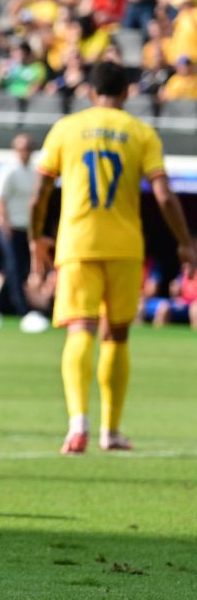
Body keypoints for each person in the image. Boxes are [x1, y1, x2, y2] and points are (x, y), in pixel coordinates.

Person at [30, 62, 194, 455]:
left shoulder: (66, 129)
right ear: (126, 93)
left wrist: (36, 238)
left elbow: (39, 194)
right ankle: (111, 430)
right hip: (124, 245)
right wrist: (185, 242)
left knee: (79, 329)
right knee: (116, 335)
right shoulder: (141, 132)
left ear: (90, 91)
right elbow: (164, 195)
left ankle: (77, 425)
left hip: (77, 243)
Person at [0, 134, 36, 317]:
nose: (25, 152)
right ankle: (22, 310)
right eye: (21, 148)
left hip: (25, 228)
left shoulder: (34, 171)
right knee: (13, 264)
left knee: (16, 267)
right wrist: (4, 223)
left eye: (28, 148)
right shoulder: (8, 170)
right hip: (7, 228)